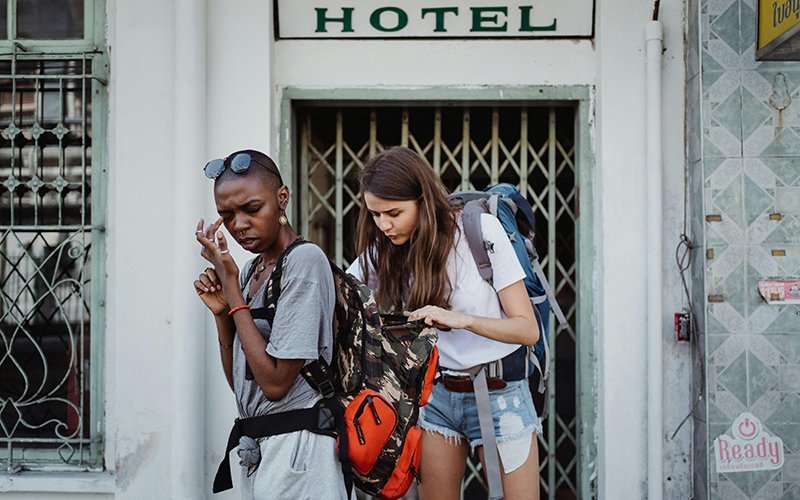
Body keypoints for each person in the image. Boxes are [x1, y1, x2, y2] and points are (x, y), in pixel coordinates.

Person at [347, 146, 542, 500]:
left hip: (501, 393)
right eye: (375, 215)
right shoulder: (387, 247)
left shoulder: (478, 231)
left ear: (423, 200)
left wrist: (462, 320)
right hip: (436, 397)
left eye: (394, 213)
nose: (384, 225)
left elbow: (526, 328)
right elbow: (340, 293)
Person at [194, 149, 349, 500]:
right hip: (261, 447)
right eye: (226, 215)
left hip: (300, 451)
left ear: (282, 199)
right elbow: (242, 384)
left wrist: (233, 292)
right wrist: (223, 314)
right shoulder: (251, 271)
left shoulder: (304, 261)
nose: (239, 225)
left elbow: (276, 383)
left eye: (251, 209)